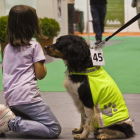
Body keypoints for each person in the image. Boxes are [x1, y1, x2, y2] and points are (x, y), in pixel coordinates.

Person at [0, 5, 61, 138]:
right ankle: (10, 123)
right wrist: (43, 66)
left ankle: (8, 115)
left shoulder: (7, 48)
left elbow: (5, 71)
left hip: (11, 98)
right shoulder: (34, 46)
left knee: (34, 122)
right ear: (32, 24)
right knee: (53, 129)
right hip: (27, 98)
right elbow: (40, 74)